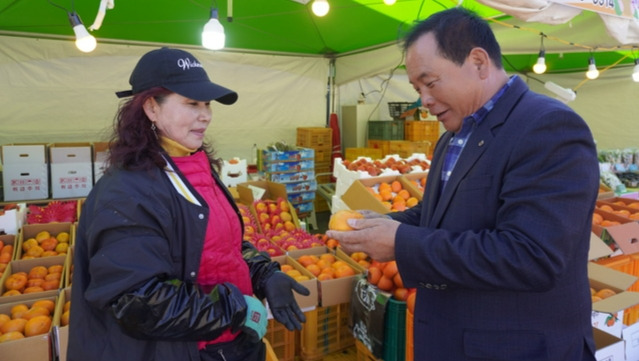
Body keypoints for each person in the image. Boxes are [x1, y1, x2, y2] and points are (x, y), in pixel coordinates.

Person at [327, 8, 599, 361]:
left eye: (430, 82)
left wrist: (402, 243)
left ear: (478, 62)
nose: (423, 100)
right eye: (417, 88)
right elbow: (436, 213)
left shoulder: (548, 128)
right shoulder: (454, 136)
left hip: (514, 349)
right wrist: (387, 224)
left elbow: (531, 256)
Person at [68, 47, 310, 361]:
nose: (206, 115)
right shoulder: (127, 192)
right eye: (191, 103)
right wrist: (236, 308)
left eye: (207, 104)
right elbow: (139, 301)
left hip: (228, 343)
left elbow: (219, 246)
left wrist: (263, 274)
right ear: (151, 108)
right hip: (184, 350)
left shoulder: (195, 167)